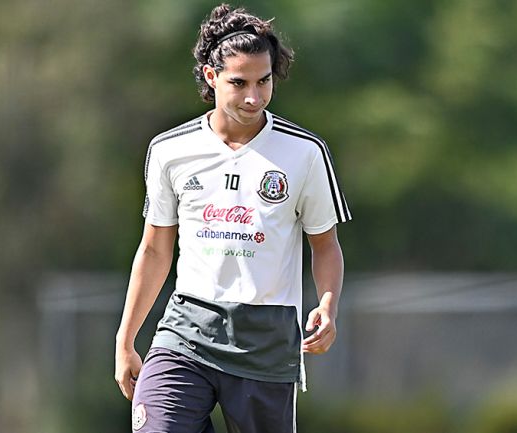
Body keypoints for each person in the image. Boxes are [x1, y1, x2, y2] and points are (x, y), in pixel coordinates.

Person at [115, 4, 351, 432]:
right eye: (239, 83)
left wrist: (329, 304)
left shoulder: (304, 153)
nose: (254, 97)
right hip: (185, 330)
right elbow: (153, 249)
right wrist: (126, 338)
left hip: (267, 341)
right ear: (211, 77)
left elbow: (325, 243)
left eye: (264, 82)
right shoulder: (170, 151)